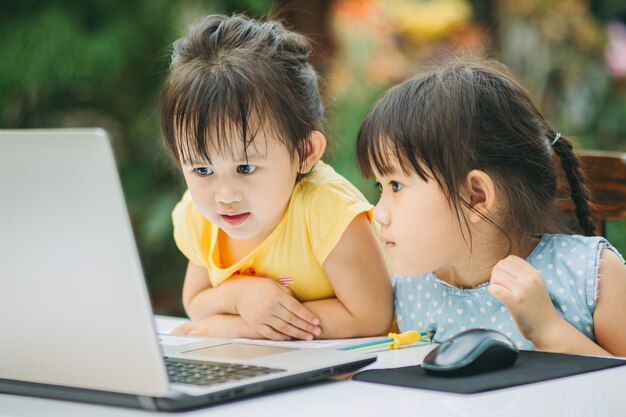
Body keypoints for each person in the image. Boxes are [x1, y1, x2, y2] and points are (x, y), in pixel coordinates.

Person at [355, 57, 626, 356]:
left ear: (477, 197)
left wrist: (548, 330)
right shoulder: (410, 289)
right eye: (379, 187)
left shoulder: (591, 274)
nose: (378, 212)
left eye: (396, 185)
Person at [159, 14, 392, 341]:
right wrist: (242, 296)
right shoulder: (199, 215)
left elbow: (371, 317)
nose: (224, 195)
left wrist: (242, 327)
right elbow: (196, 303)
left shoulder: (329, 211)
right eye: (202, 170)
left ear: (305, 153)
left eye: (245, 168)